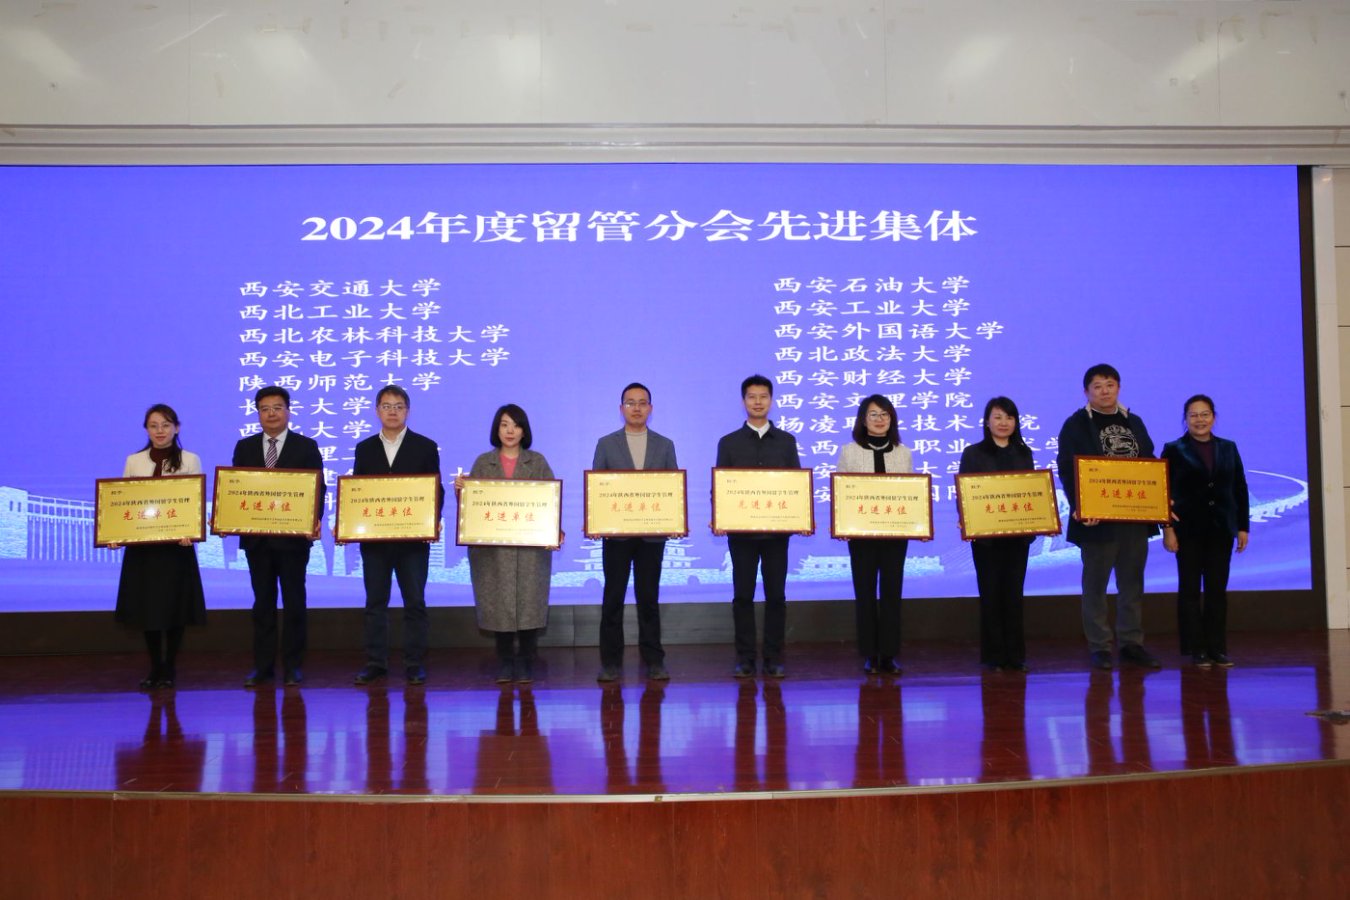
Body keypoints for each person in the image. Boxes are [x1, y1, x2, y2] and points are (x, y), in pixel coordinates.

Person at [1056, 364, 1162, 671]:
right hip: (1096, 521)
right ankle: (1100, 647)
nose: (1104, 391)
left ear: (1119, 387)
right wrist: (1080, 506)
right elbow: (1067, 468)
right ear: (1086, 391)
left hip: (1133, 518)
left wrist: (1159, 498)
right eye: (1097, 386)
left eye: (1110, 385)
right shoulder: (1075, 424)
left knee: (1132, 584)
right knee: (1095, 586)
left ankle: (1131, 644)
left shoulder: (1134, 421)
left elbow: (1149, 463)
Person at [233, 385, 326, 688]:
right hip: (257, 540)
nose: (271, 414)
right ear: (258, 413)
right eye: (265, 409)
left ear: (288, 411)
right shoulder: (244, 447)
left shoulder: (306, 446)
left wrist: (313, 520)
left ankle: (293, 666)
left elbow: (318, 488)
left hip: (293, 540)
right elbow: (236, 488)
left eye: (277, 408)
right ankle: (262, 667)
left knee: (294, 602)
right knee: (263, 604)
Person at [351, 385, 444, 686]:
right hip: (375, 542)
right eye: (386, 406)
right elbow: (357, 492)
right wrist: (349, 522)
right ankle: (375, 663)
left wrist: (433, 520)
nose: (392, 411)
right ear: (377, 410)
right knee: (375, 602)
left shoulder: (425, 446)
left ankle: (415, 663)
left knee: (414, 602)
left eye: (399, 406)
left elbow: (436, 490)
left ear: (408, 411)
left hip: (412, 541)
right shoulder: (364, 448)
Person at [458, 404, 557, 684]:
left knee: (529, 603)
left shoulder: (537, 462)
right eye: (504, 425)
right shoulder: (483, 463)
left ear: (524, 430)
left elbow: (551, 501)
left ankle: (526, 661)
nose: (510, 431)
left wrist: (553, 532)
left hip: (530, 550)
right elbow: (473, 510)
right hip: (493, 552)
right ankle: (504, 661)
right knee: (498, 605)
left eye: (516, 425)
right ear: (496, 429)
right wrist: (462, 493)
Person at [114, 404, 207, 690]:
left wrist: (191, 531)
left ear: (176, 428)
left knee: (175, 608)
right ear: (146, 430)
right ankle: (155, 666)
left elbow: (194, 502)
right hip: (144, 549)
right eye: (154, 426)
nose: (160, 431)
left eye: (166, 425)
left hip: (176, 548)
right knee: (148, 609)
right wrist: (116, 533)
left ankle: (170, 667)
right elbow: (124, 502)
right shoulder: (134, 461)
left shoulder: (190, 460)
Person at [716, 374, 801, 678]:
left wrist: (801, 516)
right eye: (752, 397)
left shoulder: (787, 442)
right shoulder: (728, 442)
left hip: (777, 534)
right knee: (743, 596)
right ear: (744, 401)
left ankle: (774, 658)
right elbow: (721, 485)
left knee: (776, 596)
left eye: (763, 396)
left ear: (771, 400)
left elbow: (796, 486)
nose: (757, 402)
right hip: (742, 535)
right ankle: (745, 659)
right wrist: (719, 516)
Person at [593, 383, 678, 683]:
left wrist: (675, 520)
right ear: (621, 409)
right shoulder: (606, 444)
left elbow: (672, 488)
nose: (637, 408)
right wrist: (596, 521)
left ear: (650, 408)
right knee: (613, 598)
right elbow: (597, 489)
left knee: (649, 598)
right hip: (616, 536)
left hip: (652, 537)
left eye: (642, 403)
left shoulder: (665, 445)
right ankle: (610, 663)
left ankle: (654, 660)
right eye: (631, 403)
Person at [1161, 394, 1250, 667]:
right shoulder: (1174, 449)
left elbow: (1239, 488)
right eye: (1193, 415)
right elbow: (1162, 492)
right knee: (1189, 590)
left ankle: (1217, 648)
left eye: (1205, 414)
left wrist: (1242, 527)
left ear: (1213, 417)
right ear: (1185, 419)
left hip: (1221, 530)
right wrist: (1167, 529)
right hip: (1187, 531)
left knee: (1216, 590)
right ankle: (1196, 648)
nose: (1199, 420)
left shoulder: (1228, 448)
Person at [835, 394, 913, 676]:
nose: (880, 420)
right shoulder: (849, 451)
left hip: (895, 536)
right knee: (865, 593)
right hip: (862, 536)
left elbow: (911, 496)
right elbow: (841, 493)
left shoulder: (903, 453)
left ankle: (889, 655)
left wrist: (917, 524)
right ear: (863, 420)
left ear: (891, 419)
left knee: (892, 593)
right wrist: (842, 523)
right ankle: (870, 654)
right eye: (873, 414)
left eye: (884, 414)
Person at [959, 396, 1036, 672]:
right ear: (987, 421)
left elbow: (1032, 492)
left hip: (1018, 538)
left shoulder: (1024, 453)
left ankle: (1015, 655)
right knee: (990, 594)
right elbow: (965, 493)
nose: (1004, 423)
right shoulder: (973, 453)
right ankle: (994, 655)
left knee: (1014, 595)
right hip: (986, 540)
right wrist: (967, 520)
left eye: (1009, 417)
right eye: (998, 417)